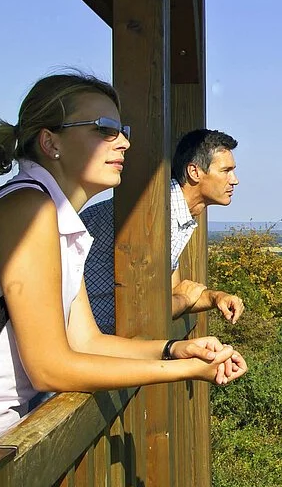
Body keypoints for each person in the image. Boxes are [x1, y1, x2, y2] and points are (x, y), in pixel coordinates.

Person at [0, 73, 246, 457]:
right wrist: (185, 371)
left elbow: (87, 342)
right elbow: (50, 368)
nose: (125, 142)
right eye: (105, 129)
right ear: (51, 142)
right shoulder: (27, 211)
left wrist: (173, 350)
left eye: (122, 130)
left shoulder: (57, 219)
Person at [81, 128, 246, 335]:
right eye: (226, 171)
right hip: (94, 346)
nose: (234, 180)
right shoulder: (155, 215)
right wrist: (184, 299)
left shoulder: (176, 211)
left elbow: (172, 292)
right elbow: (147, 309)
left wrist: (216, 297)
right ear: (194, 172)